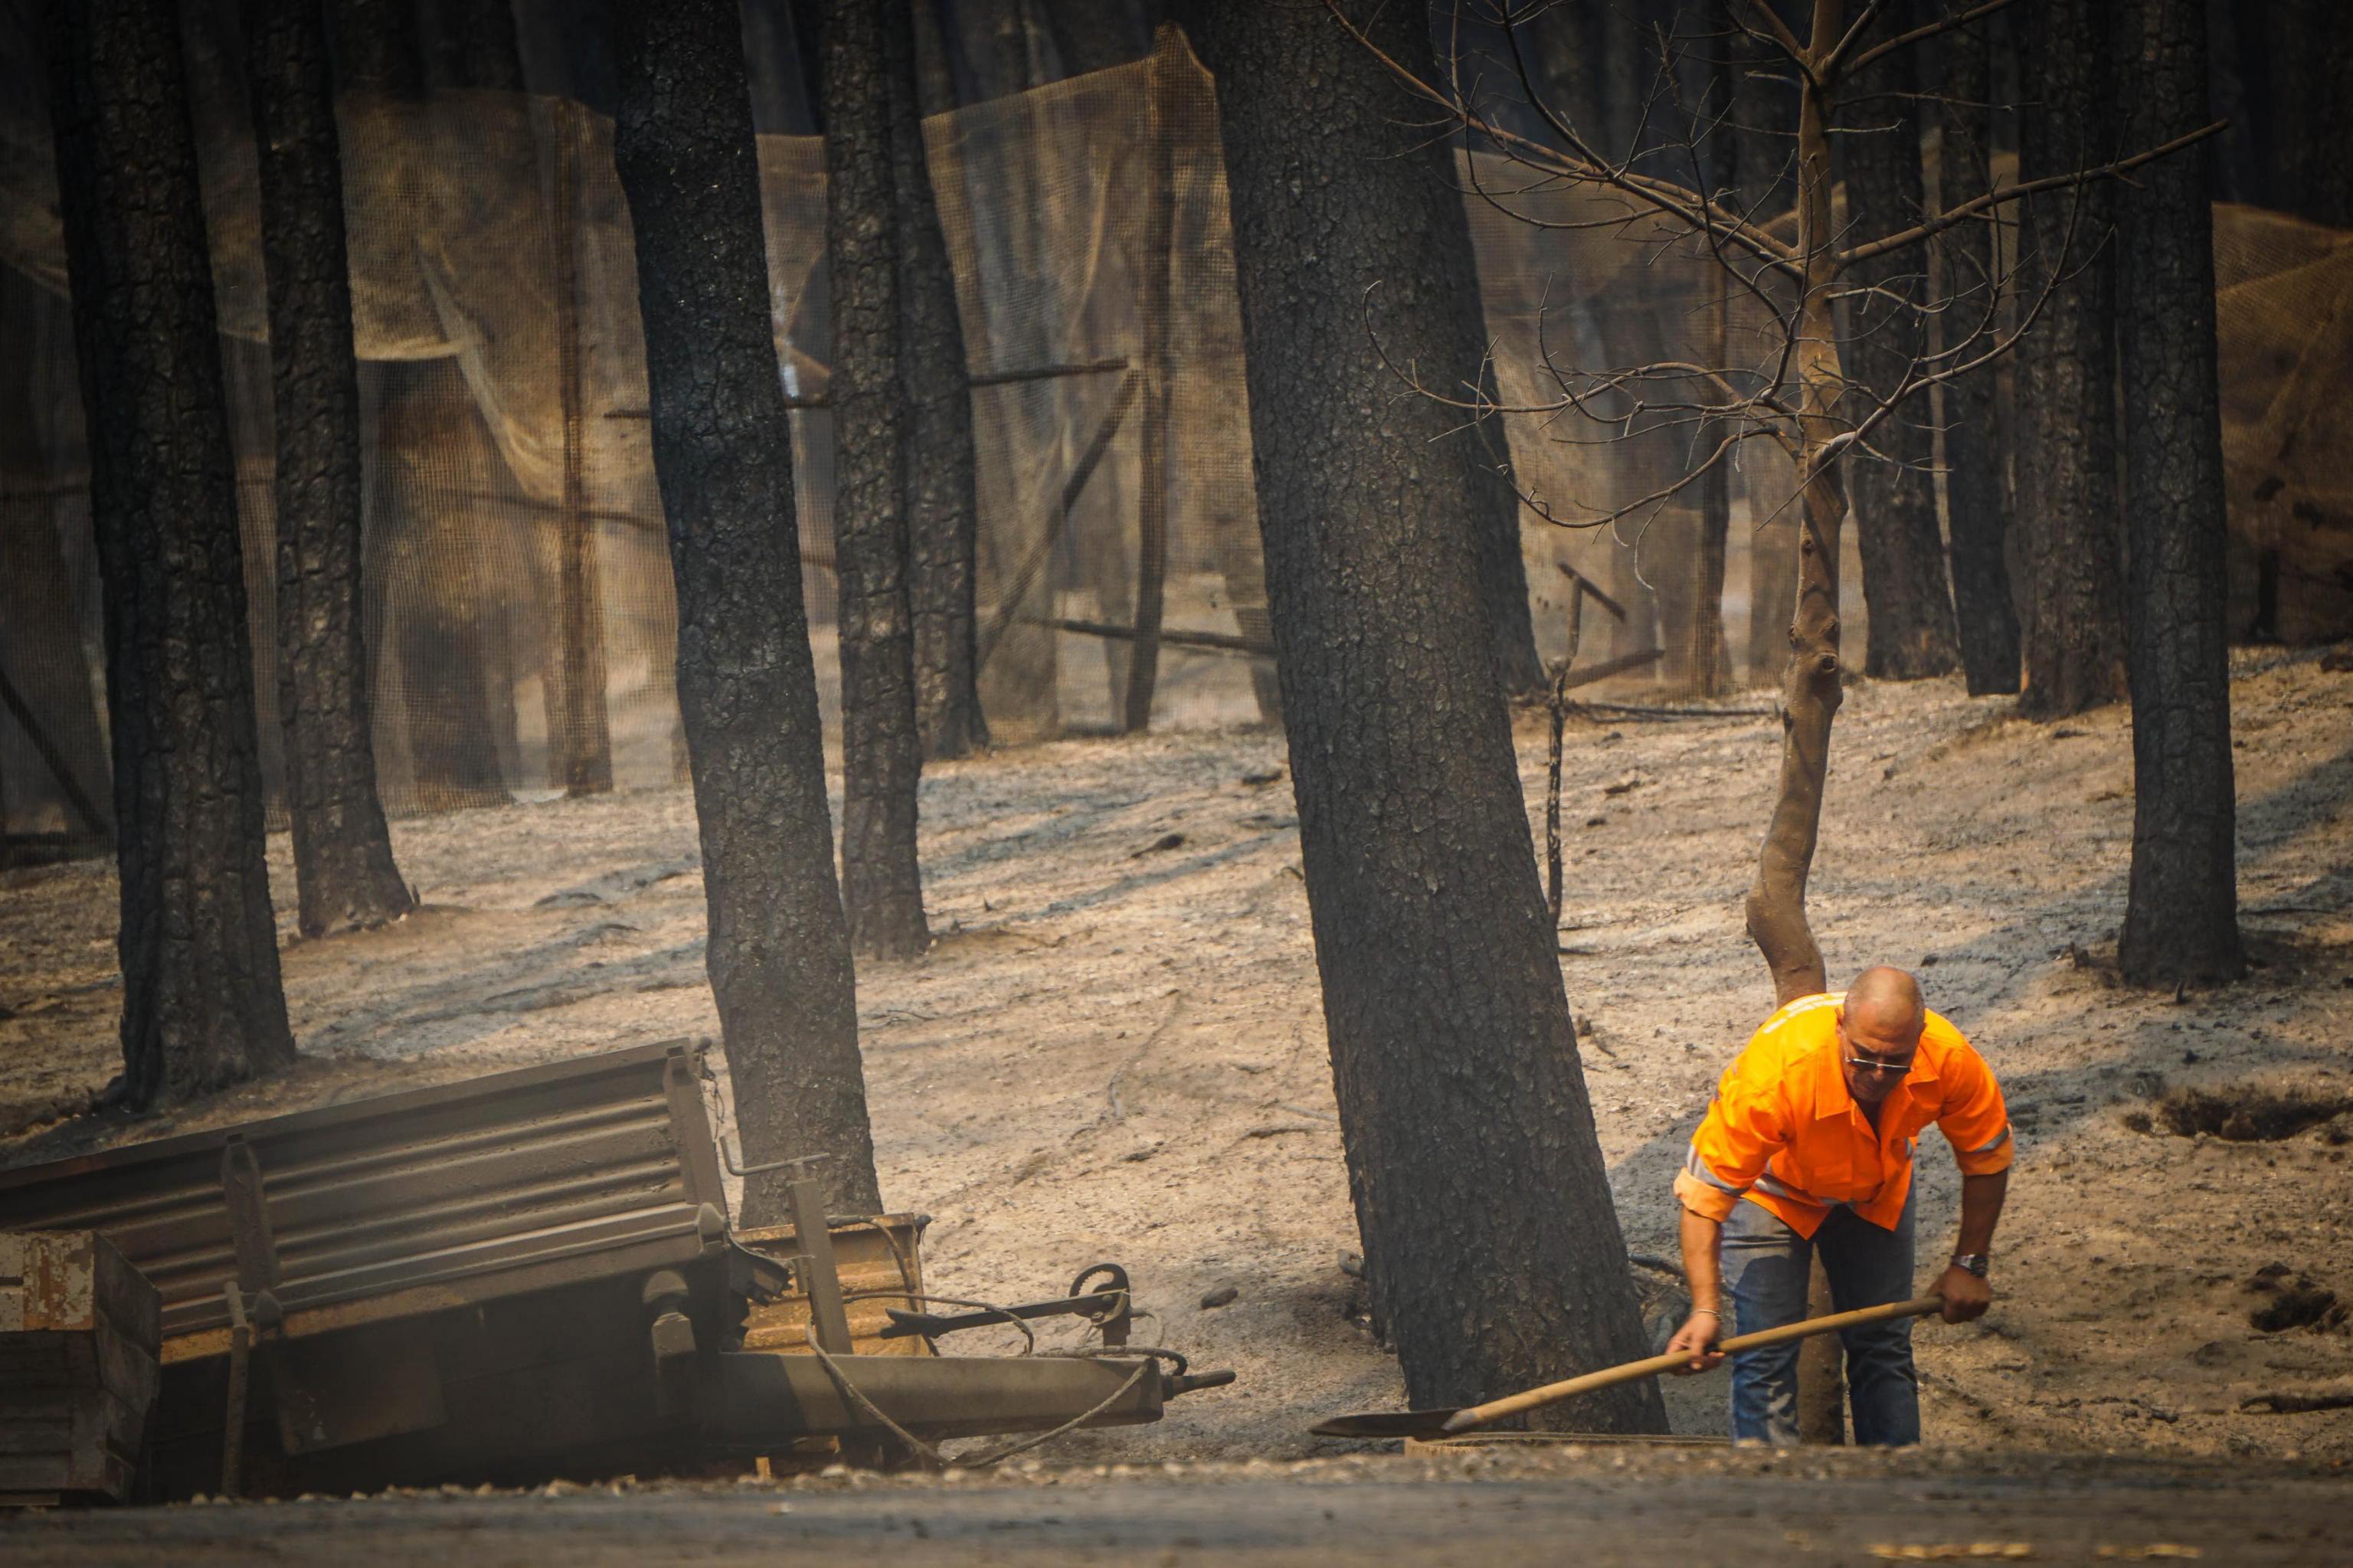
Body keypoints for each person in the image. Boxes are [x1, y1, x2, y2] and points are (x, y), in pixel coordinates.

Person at [1664, 966, 2011, 1445]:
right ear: (1840, 1029)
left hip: (1875, 1189)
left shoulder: (1949, 1058)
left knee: (1883, 1346)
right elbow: (1705, 1199)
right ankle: (1774, 1501)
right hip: (1772, 1193)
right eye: (1863, 1058)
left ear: (1920, 1036)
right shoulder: (1777, 1075)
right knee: (1764, 1351)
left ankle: (1892, 1499)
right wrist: (1705, 1310)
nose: (1876, 1076)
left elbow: (1987, 1156)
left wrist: (1970, 1264)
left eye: (1895, 1062)